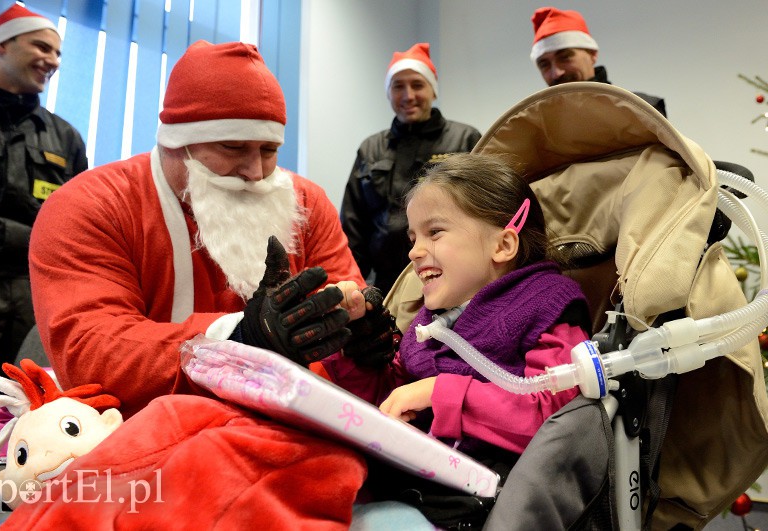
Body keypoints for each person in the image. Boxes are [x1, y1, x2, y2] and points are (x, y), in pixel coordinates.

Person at [29, 40, 368, 420]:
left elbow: (339, 303)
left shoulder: (305, 202)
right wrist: (238, 341)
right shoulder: (90, 205)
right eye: (232, 146)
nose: (255, 173)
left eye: (269, 150)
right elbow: (90, 349)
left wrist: (361, 344)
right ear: (176, 142)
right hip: (134, 435)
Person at [324, 153, 590, 523]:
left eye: (434, 232)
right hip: (410, 486)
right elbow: (396, 398)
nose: (414, 251)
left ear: (503, 246)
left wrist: (439, 392)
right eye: (413, 236)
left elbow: (556, 419)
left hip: (482, 504)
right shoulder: (432, 321)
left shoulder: (546, 306)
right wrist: (358, 356)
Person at [0, 4, 88, 421]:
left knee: (27, 411)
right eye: (42, 47)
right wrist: (25, 237)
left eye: (57, 54)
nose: (53, 61)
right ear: (2, 45)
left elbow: (76, 222)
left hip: (34, 293)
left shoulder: (64, 136)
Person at [340, 43, 482, 294]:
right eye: (398, 86)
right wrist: (354, 286)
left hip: (450, 281)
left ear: (433, 90)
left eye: (417, 85)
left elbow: (482, 215)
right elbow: (353, 228)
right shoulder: (370, 148)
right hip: (383, 285)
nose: (408, 95)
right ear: (388, 93)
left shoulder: (465, 139)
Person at [530, 6, 667, 117]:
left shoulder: (643, 110)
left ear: (592, 54)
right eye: (544, 65)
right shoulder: (541, 128)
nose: (556, 73)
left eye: (565, 57)